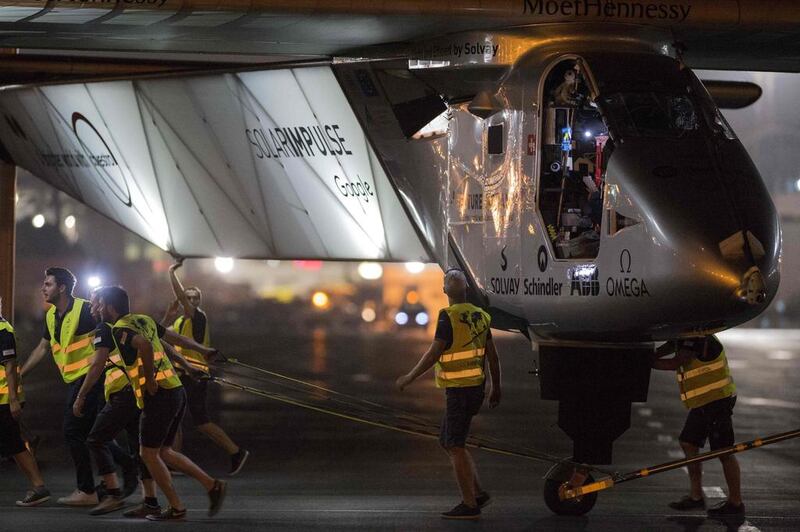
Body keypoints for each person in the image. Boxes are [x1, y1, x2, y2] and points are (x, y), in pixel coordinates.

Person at [98, 285, 226, 521]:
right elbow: (168, 343)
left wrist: (149, 382)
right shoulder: (143, 320)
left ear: (110, 307)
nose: (96, 308)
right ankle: (212, 485)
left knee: (148, 454)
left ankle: (177, 507)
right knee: (164, 451)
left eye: (99, 304)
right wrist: (192, 361)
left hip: (160, 396)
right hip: (176, 389)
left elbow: (146, 347)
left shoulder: (120, 330)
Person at [396, 268, 501, 520]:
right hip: (475, 388)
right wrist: (496, 387)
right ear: (466, 289)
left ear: (445, 291)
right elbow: (493, 357)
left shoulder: (448, 317)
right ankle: (477, 493)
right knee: (448, 441)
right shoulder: (481, 316)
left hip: (459, 391)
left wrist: (409, 377)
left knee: (454, 444)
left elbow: (434, 354)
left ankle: (470, 504)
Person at [20, 267, 116, 506]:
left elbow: (110, 333)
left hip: (92, 378)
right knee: (93, 433)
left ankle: (88, 490)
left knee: (73, 431)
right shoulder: (51, 316)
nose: (43, 288)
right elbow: (42, 348)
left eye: (48, 284)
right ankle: (123, 472)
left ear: (62, 288)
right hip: (75, 379)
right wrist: (20, 373)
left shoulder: (85, 309)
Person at [162, 259, 249, 475]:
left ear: (198, 301)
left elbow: (180, 297)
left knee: (200, 421)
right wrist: (168, 316)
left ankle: (236, 452)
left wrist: (171, 272)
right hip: (183, 374)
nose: (190, 300)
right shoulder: (181, 322)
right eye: (188, 297)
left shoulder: (199, 317)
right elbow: (158, 333)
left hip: (195, 375)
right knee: (175, 417)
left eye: (194, 298)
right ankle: (175, 462)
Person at [652, 335, 744, 518]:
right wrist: (648, 354)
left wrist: (644, 362)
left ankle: (736, 503)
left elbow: (674, 363)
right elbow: (667, 347)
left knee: (724, 452)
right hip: (704, 403)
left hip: (718, 401)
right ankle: (696, 497)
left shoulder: (698, 338)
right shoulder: (683, 337)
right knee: (688, 443)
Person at [0, 296, 50, 507]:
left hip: (4, 399)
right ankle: (39, 487)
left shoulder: (3, 331)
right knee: (14, 443)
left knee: (15, 444)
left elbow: (10, 366)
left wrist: (13, 401)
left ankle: (39, 487)